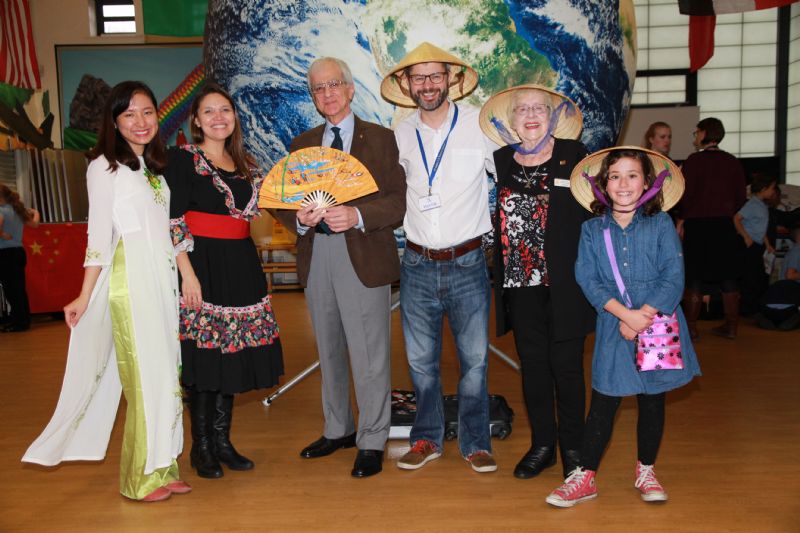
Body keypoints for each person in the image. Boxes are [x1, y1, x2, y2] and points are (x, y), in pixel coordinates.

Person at [22, 81, 189, 502]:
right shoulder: (104, 166)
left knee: (167, 375)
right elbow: (99, 235)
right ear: (114, 121)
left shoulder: (151, 167)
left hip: (161, 279)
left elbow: (167, 230)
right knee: (144, 377)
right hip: (130, 279)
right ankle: (139, 478)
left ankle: (165, 466)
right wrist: (83, 293)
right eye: (129, 114)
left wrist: (185, 275)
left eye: (147, 112)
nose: (140, 121)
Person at [545, 147, 701, 508]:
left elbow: (673, 276)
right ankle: (585, 476)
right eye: (614, 176)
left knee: (652, 400)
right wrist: (625, 316)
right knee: (604, 400)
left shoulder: (661, 223)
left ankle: (646, 469)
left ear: (647, 182)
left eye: (632, 175)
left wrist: (642, 315)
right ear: (603, 185)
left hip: (658, 324)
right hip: (614, 325)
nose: (623, 183)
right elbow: (587, 277)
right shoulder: (591, 230)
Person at [273, 57, 406, 478]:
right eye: (318, 88)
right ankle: (338, 428)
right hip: (317, 255)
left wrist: (357, 215)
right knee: (328, 349)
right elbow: (282, 201)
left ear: (350, 89)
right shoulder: (302, 144)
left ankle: (371, 438)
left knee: (369, 355)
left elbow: (397, 202)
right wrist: (299, 218)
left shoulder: (382, 140)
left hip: (362, 253)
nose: (327, 93)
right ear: (313, 97)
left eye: (334, 84)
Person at [381, 42, 498, 473]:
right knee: (420, 364)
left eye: (435, 76)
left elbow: (511, 174)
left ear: (451, 79)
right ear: (406, 84)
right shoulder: (398, 134)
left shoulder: (480, 127)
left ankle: (476, 442)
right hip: (416, 265)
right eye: (419, 77)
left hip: (469, 263)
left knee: (475, 363)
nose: (427, 84)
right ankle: (426, 439)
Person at [165, 83, 284, 479]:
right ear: (196, 121)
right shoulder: (182, 159)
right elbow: (174, 218)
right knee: (203, 358)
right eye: (209, 112)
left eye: (226, 110)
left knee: (229, 354)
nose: (219, 117)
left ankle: (222, 441)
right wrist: (188, 275)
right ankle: (201, 448)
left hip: (240, 263)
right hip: (202, 265)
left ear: (234, 118)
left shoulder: (246, 164)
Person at [478, 84, 593, 479]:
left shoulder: (574, 156)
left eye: (538, 108)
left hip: (567, 285)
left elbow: (594, 216)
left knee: (567, 368)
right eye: (521, 110)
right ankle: (542, 445)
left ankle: (573, 450)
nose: (530, 115)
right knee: (534, 368)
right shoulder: (501, 160)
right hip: (520, 285)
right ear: (511, 122)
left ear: (553, 116)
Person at [676, 117, 746, 340]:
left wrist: (684, 217)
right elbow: (740, 197)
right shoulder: (732, 161)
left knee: (695, 275)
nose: (695, 137)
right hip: (724, 225)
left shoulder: (694, 161)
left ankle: (692, 328)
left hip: (697, 226)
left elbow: (684, 196)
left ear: (705, 133)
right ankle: (732, 326)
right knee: (728, 276)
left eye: (696, 133)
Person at [734, 174, 777, 316]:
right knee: (750, 278)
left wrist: (768, 244)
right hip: (750, 246)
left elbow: (760, 228)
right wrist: (746, 237)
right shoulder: (752, 204)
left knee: (757, 277)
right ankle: (747, 310)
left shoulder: (762, 205)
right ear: (763, 189)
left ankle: (754, 307)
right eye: (771, 188)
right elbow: (736, 218)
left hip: (758, 245)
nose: (773, 191)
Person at [0, 184, 40, 332]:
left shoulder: (2, 210)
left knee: (11, 290)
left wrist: (3, 234)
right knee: (19, 289)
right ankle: (22, 320)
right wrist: (36, 212)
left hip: (5, 254)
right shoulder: (17, 211)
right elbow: (35, 224)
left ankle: (19, 322)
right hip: (18, 252)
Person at [757, 224, 800, 330]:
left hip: (778, 297)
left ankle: (769, 319)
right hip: (789, 297)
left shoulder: (794, 251)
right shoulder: (797, 251)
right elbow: (790, 275)